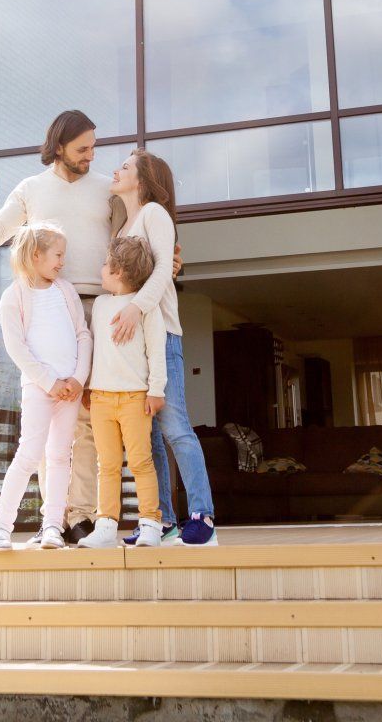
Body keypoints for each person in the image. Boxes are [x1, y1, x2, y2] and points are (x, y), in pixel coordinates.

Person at [0, 110, 117, 542]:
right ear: (59, 148)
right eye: (83, 149)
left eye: (94, 146)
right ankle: (50, 519)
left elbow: (130, 241)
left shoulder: (107, 189)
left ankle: (79, 518)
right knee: (47, 425)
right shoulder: (31, 189)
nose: (92, 155)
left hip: (96, 306)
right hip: (46, 307)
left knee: (89, 418)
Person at [109, 149, 217, 546]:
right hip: (133, 344)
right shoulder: (123, 223)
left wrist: (136, 308)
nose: (116, 170)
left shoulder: (154, 213)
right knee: (148, 435)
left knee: (175, 428)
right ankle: (163, 520)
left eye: (125, 166)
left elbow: (160, 274)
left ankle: (202, 515)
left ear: (143, 179)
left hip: (162, 334)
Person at [0, 221, 90, 551]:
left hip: (69, 391)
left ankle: (52, 527)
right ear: (36, 254)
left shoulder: (65, 290)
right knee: (29, 454)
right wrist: (49, 381)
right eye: (58, 254)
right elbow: (17, 348)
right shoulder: (13, 297)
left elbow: (82, 334)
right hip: (39, 389)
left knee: (60, 457)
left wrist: (77, 379)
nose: (62, 261)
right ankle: (1, 526)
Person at [80, 234, 166, 549]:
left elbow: (156, 351)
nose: (101, 269)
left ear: (118, 272)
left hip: (135, 398)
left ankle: (150, 523)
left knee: (141, 462)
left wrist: (156, 390)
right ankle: (105, 525)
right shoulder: (100, 306)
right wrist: (88, 385)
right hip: (101, 397)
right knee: (108, 463)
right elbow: (93, 348)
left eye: (105, 265)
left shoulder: (146, 308)